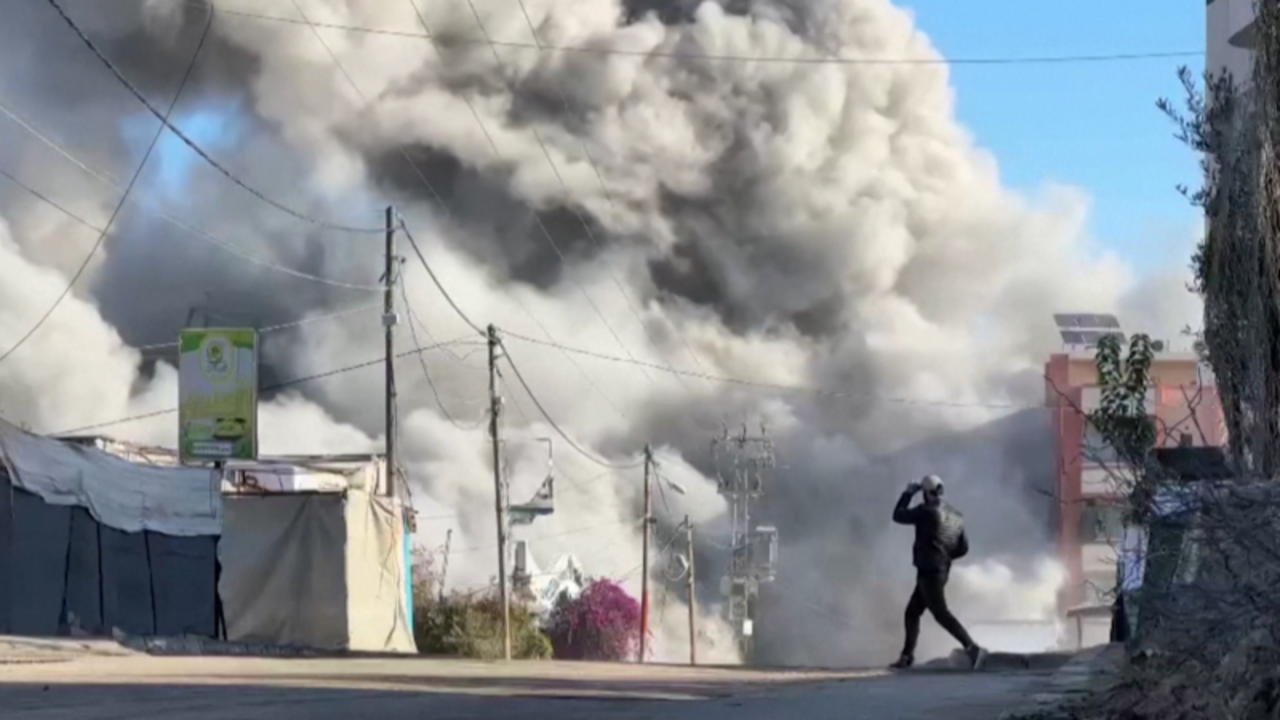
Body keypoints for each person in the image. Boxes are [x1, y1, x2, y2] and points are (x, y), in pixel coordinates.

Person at [888, 474, 987, 670]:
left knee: (940, 613)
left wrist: (908, 493)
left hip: (930, 571)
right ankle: (906, 656)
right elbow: (963, 548)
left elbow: (898, 515)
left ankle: (972, 648)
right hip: (939, 570)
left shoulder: (927, 512)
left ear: (925, 493)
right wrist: (944, 557)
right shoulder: (956, 515)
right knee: (912, 612)